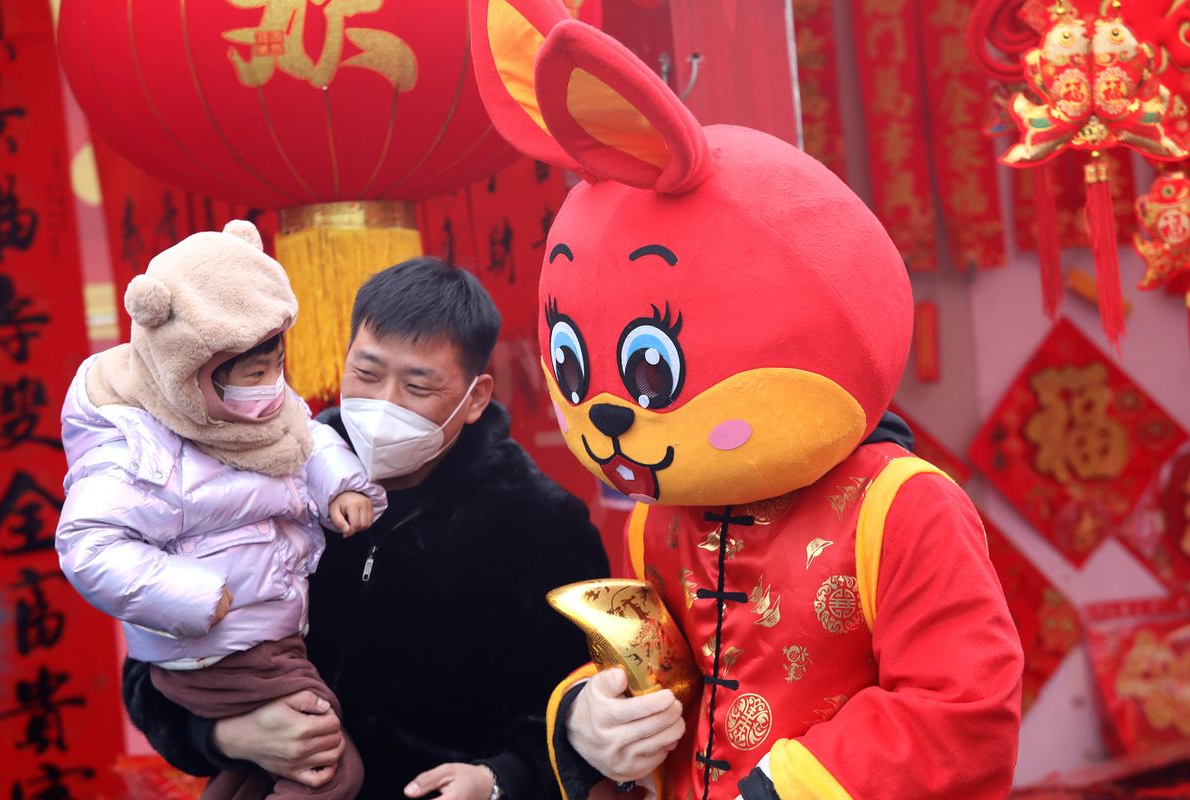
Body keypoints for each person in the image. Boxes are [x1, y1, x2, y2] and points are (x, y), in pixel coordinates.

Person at [467, 2, 1024, 798]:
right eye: (578, 369)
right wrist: (591, 724)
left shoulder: (901, 508)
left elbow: (963, 710)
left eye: (651, 372)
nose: (612, 416)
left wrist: (785, 785)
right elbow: (661, 680)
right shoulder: (658, 517)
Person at [121, 258, 611, 800]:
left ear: (474, 398)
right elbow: (152, 666)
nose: (383, 405)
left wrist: (500, 779)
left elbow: (581, 704)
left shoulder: (541, 526)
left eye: (418, 386)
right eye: (368, 373)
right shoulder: (257, 481)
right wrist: (224, 736)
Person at [55, 220, 386, 800]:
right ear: (190, 374)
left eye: (275, 367)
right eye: (252, 376)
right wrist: (194, 596)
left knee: (257, 775)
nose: (271, 388)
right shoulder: (137, 448)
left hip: (267, 633)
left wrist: (343, 488)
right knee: (330, 764)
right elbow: (87, 545)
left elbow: (305, 438)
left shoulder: (256, 409)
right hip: (216, 647)